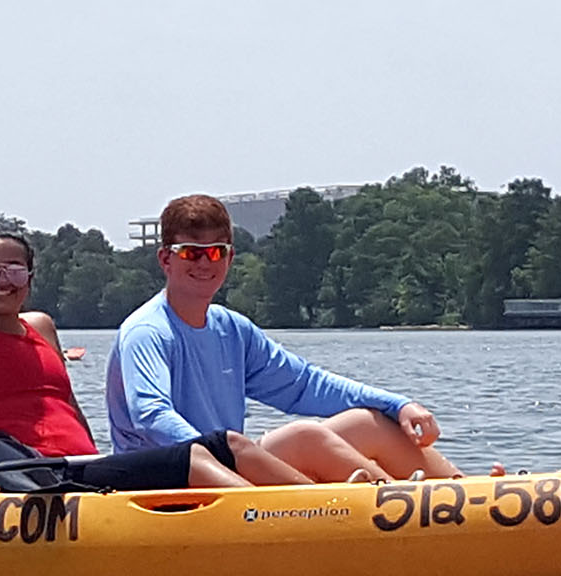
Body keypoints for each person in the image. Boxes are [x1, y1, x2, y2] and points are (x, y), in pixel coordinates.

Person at [0, 230, 309, 510]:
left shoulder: (41, 326)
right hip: (45, 475)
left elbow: (66, 406)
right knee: (196, 453)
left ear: (29, 278)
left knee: (229, 444)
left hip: (89, 465)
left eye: (14, 267)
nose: (1, 278)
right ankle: (273, 518)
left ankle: (326, 506)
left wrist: (111, 462)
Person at [107, 194, 498, 483]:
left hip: (229, 463)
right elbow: (152, 416)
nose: (205, 264)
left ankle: (467, 496)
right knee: (304, 435)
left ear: (230, 257)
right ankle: (397, 510)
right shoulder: (148, 332)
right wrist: (230, 455)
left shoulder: (232, 330)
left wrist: (400, 405)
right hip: (168, 481)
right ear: (166, 259)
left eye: (216, 253)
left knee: (370, 422)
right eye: (191, 253)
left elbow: (306, 385)